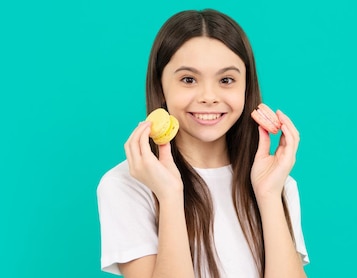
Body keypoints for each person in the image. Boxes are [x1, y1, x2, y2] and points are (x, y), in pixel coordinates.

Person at [96, 8, 309, 278]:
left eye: (226, 80)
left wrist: (268, 194)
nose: (209, 96)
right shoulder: (126, 185)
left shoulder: (278, 184)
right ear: (161, 86)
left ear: (246, 87)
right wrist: (170, 196)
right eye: (188, 79)